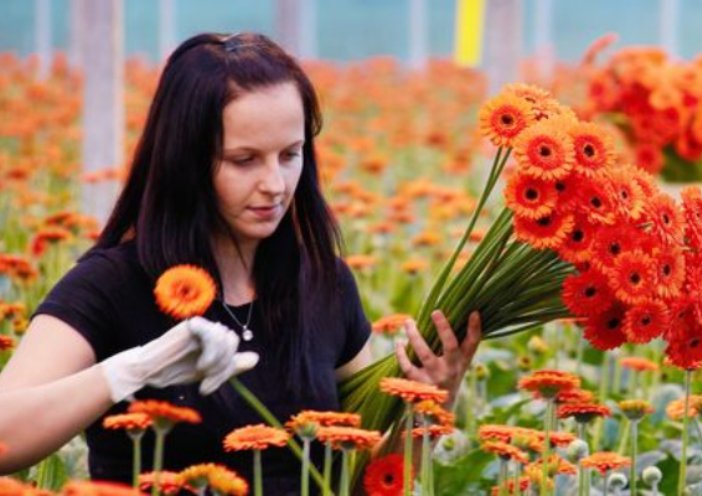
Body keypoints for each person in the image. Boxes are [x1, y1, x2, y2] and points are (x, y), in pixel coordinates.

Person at [0, 32, 481, 493]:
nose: (275, 183)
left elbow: (367, 476)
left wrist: (427, 408)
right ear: (186, 161)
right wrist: (129, 371)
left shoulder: (322, 282)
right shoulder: (112, 284)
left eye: (290, 155)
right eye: (244, 160)